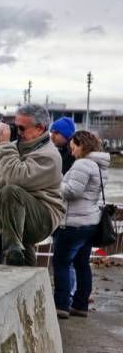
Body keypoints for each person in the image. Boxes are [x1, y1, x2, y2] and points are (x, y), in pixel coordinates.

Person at [0, 103, 65, 266]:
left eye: (21, 128)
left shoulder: (49, 156)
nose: (17, 132)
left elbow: (16, 178)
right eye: (15, 126)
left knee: (11, 191)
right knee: (26, 269)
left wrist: (4, 145)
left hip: (42, 219)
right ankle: (28, 278)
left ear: (40, 128)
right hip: (16, 219)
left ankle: (12, 249)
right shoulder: (14, 147)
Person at [52, 131, 110, 319]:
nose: (72, 151)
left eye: (74, 147)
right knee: (82, 264)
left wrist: (55, 182)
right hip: (90, 221)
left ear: (82, 145)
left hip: (74, 222)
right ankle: (80, 305)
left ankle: (61, 305)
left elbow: (72, 192)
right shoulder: (100, 165)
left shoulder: (83, 164)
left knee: (61, 263)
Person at [49, 116, 77, 294]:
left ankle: (66, 297)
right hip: (65, 214)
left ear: (66, 136)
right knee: (70, 260)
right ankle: (71, 294)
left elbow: (67, 187)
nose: (52, 135)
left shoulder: (69, 158)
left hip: (67, 216)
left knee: (64, 260)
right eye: (51, 131)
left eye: (56, 132)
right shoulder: (62, 153)